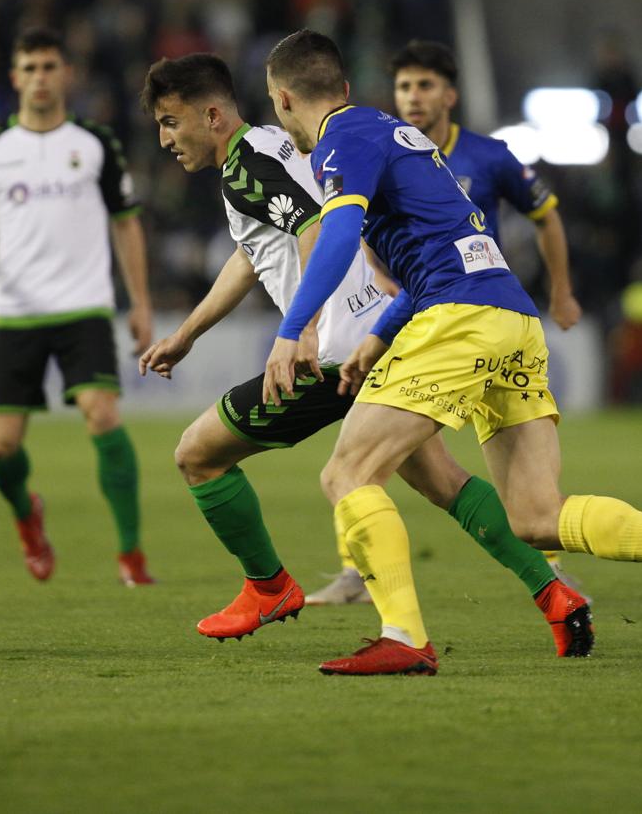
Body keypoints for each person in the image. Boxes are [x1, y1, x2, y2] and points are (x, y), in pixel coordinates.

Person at [261, 29, 642, 676]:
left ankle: (404, 636)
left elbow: (337, 231)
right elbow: (436, 259)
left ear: (283, 99)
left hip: (458, 319)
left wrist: (292, 328)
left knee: (346, 473)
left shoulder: (343, 137)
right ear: (344, 85)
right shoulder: (398, 137)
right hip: (512, 317)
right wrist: (378, 334)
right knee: (536, 515)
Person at [136, 53, 591, 657]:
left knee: (199, 456)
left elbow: (313, 230)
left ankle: (269, 585)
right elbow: (254, 251)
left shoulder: (247, 168)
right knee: (444, 482)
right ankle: (554, 595)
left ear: (212, 115)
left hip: (331, 353)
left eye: (170, 122)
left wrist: (300, 331)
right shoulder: (272, 146)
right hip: (377, 333)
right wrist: (187, 332)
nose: (166, 139)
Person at [306, 39, 586, 606]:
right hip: (416, 306)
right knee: (385, 451)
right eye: (405, 86)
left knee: (370, 455)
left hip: (471, 310)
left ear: (450, 95)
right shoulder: (381, 147)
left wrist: (562, 290)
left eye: (425, 85)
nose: (413, 96)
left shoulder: (489, 156)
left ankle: (542, 563)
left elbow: (546, 217)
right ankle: (357, 568)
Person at [0, 26, 155, 587]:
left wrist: (140, 304)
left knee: (103, 414)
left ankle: (131, 556)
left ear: (68, 75)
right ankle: (26, 516)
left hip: (84, 307)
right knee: (1, 447)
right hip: (15, 312)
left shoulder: (94, 144)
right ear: (15, 78)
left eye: (49, 66)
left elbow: (127, 226)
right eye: (30, 67)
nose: (40, 77)